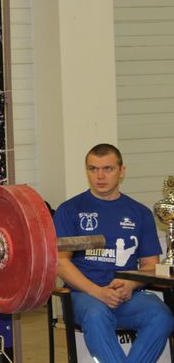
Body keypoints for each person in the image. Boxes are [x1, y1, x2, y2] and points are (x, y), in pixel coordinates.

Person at [53, 143, 174, 363]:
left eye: (107, 169)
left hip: (127, 296)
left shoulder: (140, 213)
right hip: (85, 296)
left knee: (162, 316)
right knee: (96, 315)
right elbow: (61, 263)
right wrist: (98, 292)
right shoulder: (70, 209)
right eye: (93, 169)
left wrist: (130, 284)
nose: (100, 176)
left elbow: (150, 266)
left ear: (121, 171)